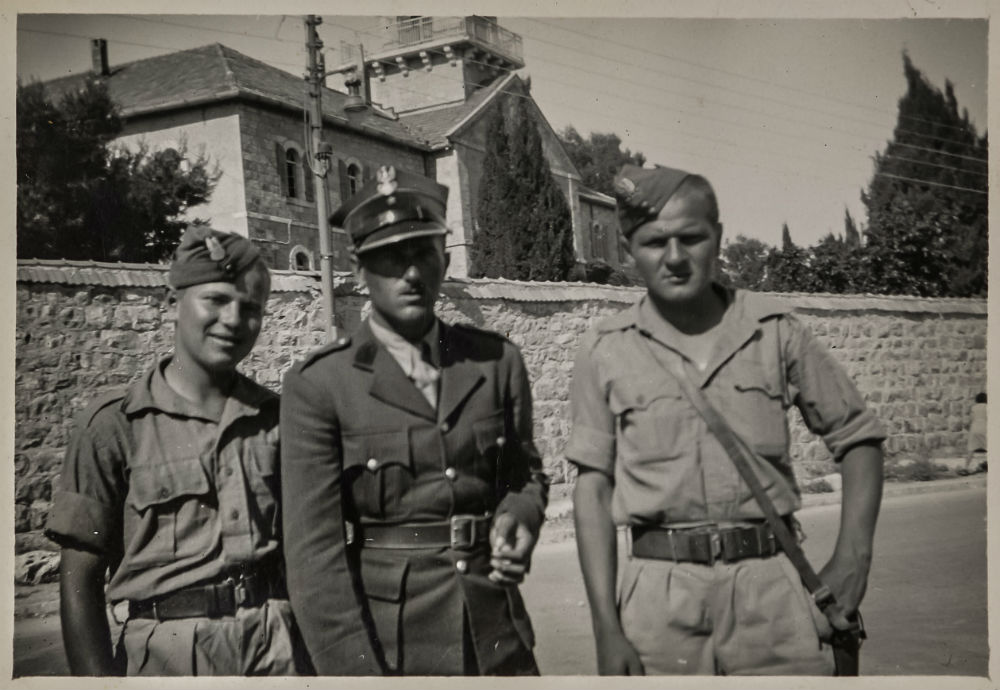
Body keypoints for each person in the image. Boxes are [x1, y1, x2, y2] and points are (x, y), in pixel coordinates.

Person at [566, 164, 886, 676]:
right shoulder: (605, 351)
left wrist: (853, 561)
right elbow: (593, 489)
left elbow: (860, 438)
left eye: (691, 238)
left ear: (718, 236)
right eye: (654, 243)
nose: (674, 258)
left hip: (771, 591)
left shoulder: (774, 331)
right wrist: (606, 627)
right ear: (628, 251)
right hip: (657, 600)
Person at [280, 165, 548, 676]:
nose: (410, 274)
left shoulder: (495, 362)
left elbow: (524, 476)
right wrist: (357, 676)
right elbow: (315, 559)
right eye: (388, 258)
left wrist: (520, 517)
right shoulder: (321, 386)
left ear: (444, 261)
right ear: (358, 270)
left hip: (496, 634)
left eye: (422, 253)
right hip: (394, 650)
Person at [45, 227, 310, 676]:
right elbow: (79, 583)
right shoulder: (115, 425)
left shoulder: (278, 419)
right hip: (169, 655)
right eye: (216, 301)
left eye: (250, 309)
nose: (232, 320)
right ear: (172, 305)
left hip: (276, 648)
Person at [961, 392, 987, 475]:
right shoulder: (988, 407)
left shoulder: (974, 407)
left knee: (971, 449)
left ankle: (965, 467)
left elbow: (971, 419)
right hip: (985, 427)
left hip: (975, 427)